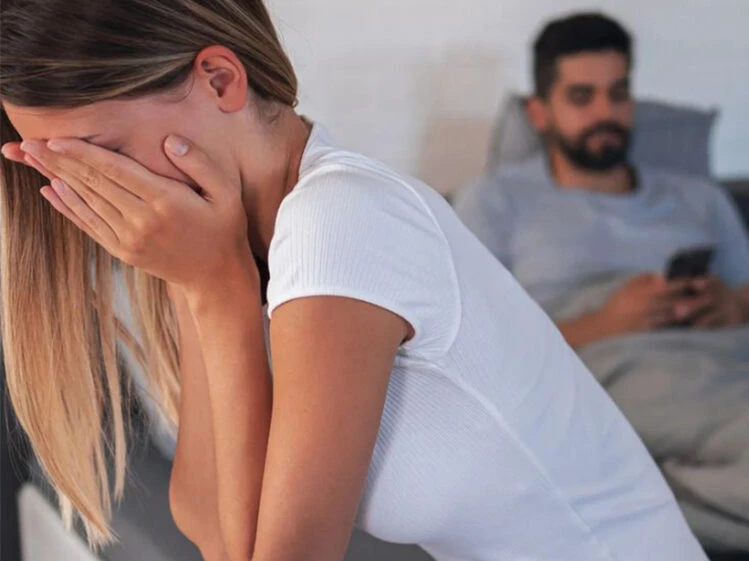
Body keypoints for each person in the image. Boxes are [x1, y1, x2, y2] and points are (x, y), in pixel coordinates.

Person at [0, 2, 708, 560]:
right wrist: (203, 285)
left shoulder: (339, 220)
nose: (93, 194)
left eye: (102, 153)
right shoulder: (230, 240)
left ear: (220, 80)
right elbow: (212, 528)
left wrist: (216, 291)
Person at [455, 13, 749, 349]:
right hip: (611, 369)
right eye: (582, 97)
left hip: (724, 358)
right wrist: (604, 325)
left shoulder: (702, 197)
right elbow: (470, 342)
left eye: (618, 94)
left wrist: (734, 307)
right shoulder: (494, 201)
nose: (606, 113)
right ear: (538, 113)